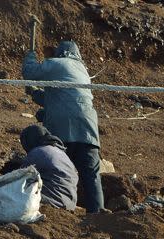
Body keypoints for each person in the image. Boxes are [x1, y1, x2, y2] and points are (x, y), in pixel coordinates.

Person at [22, 41, 104, 213]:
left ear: (62, 53)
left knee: (60, 170)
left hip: (63, 131)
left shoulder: (60, 63)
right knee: (91, 176)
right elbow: (58, 99)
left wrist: (31, 56)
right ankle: (97, 214)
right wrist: (34, 92)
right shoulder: (82, 72)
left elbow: (30, 72)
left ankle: (58, 210)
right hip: (87, 131)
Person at [20, 124, 78, 210]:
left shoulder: (37, 152)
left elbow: (19, 178)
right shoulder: (62, 153)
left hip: (51, 202)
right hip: (70, 204)